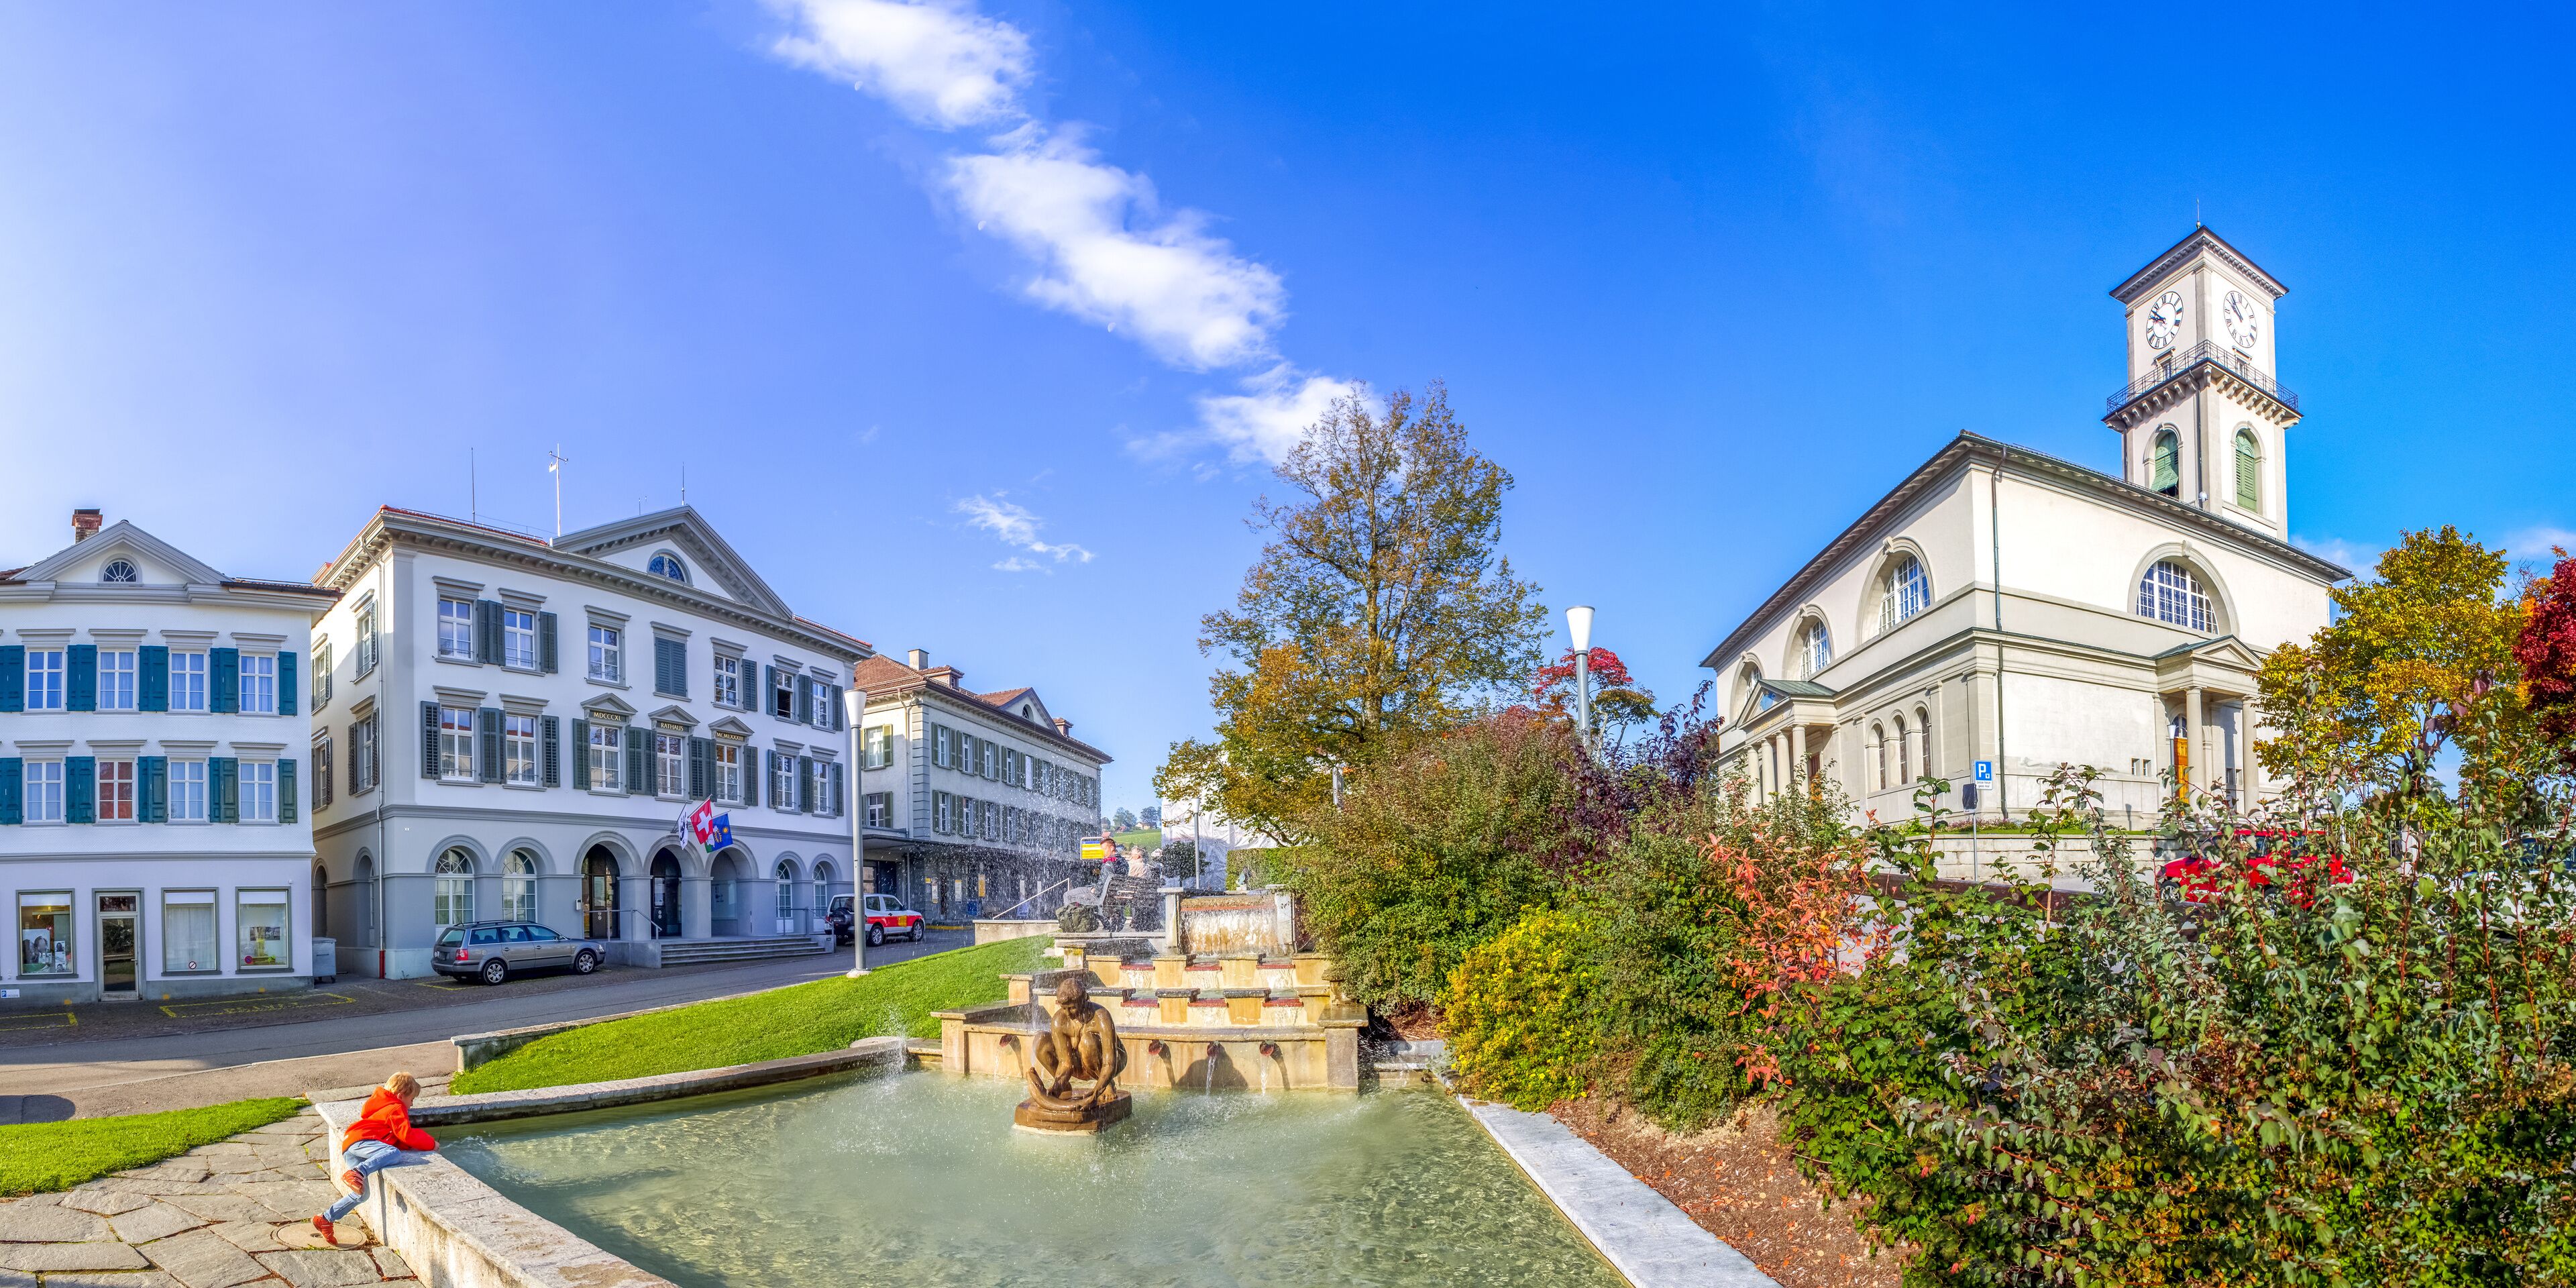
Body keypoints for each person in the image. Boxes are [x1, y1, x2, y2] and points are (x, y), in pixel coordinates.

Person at [313, 1071, 436, 1246]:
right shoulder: (396, 1107)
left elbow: (395, 1137)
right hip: (363, 1142)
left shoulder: (381, 1106)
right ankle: (359, 1171)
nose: (412, 1104)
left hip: (351, 1146)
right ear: (401, 1096)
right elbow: (407, 1135)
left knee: (361, 1194)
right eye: (412, 1099)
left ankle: (325, 1218)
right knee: (394, 1154)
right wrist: (431, 1144)